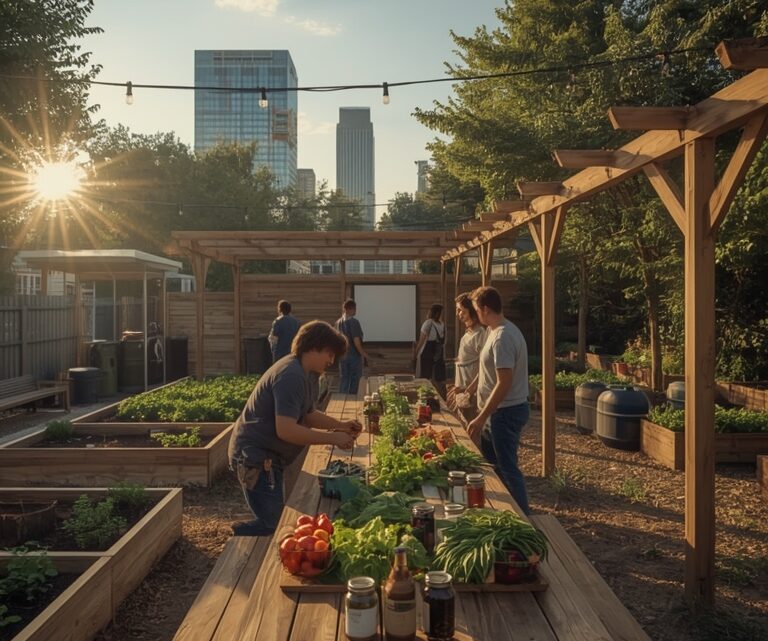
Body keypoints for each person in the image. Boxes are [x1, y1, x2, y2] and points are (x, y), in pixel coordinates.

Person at [228, 320, 361, 536]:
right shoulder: (290, 375)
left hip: (270, 456)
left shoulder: (307, 374)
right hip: (255, 457)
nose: (331, 360)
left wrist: (340, 426)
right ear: (315, 347)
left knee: (278, 519)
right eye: (329, 353)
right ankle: (235, 536)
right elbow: (286, 430)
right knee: (272, 525)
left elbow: (307, 415)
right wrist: (332, 439)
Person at [459, 286, 531, 515]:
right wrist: (469, 391)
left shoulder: (503, 337)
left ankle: (524, 519)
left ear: (485, 309)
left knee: (508, 468)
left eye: (477, 309)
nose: (475, 314)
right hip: (496, 412)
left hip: (505, 412)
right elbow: (486, 370)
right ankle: (503, 512)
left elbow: (504, 382)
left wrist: (480, 418)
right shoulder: (496, 331)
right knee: (494, 466)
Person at [448, 293, 487, 422]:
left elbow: (485, 366)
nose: (458, 314)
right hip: (463, 391)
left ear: (471, 311)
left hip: (472, 394)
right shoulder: (467, 334)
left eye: (461, 311)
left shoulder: (480, 333)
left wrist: (469, 389)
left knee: (472, 429)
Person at [334, 298, 369, 395]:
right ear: (351, 309)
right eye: (355, 309)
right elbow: (356, 341)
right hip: (353, 356)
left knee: (344, 379)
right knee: (355, 380)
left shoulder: (338, 323)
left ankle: (341, 399)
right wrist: (364, 354)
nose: (355, 311)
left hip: (342, 355)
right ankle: (352, 400)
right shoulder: (354, 322)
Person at [412, 304, 447, 390]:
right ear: (438, 313)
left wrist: (415, 353)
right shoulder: (442, 324)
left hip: (427, 351)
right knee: (436, 377)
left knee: (425, 377)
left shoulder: (428, 323)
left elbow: (421, 340)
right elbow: (444, 340)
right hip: (438, 352)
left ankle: (425, 393)